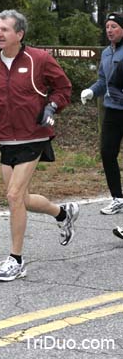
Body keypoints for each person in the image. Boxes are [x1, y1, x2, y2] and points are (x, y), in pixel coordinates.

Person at [0, 9, 79, 282]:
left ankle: (16, 260)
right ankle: (63, 213)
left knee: (13, 196)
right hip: (5, 137)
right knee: (21, 198)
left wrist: (53, 106)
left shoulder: (39, 59)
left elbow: (63, 88)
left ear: (19, 34)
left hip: (34, 134)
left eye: (5, 29)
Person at [81, 12, 123, 240]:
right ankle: (118, 198)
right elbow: (102, 81)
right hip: (112, 111)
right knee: (107, 153)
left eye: (114, 26)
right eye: (107, 26)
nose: (109, 30)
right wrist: (91, 90)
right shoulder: (106, 53)